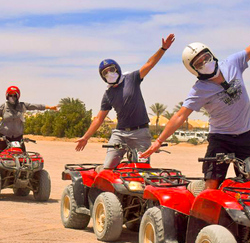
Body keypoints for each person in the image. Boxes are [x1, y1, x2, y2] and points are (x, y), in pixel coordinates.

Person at [142, 13, 250, 189]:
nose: (205, 62)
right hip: (220, 139)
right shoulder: (199, 89)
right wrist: (158, 141)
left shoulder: (232, 63)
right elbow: (180, 115)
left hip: (246, 136)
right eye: (199, 63)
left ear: (211, 54)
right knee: (212, 184)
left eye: (206, 57)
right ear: (194, 69)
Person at [75, 34, 175, 169]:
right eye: (105, 73)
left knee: (142, 169)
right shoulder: (108, 94)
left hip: (140, 132)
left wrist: (163, 49)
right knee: (108, 167)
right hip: (120, 133)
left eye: (111, 69)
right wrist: (85, 137)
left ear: (117, 69)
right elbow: (99, 118)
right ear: (102, 77)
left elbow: (149, 64)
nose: (109, 73)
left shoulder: (131, 78)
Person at [0, 86, 57, 151]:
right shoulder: (3, 106)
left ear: (18, 96)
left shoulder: (22, 105)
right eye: (10, 95)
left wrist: (50, 107)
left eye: (14, 95)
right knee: (0, 158)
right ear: (7, 95)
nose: (12, 97)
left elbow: (36, 106)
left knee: (22, 158)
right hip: (3, 137)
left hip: (18, 138)